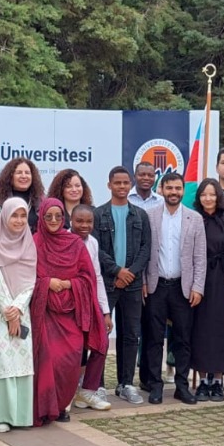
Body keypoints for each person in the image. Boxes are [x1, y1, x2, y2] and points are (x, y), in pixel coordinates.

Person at [33, 199, 109, 425]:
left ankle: (64, 403)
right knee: (50, 360)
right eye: (49, 217)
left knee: (69, 360)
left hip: (71, 314)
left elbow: (88, 278)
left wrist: (67, 284)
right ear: (42, 218)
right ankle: (48, 407)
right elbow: (27, 278)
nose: (54, 221)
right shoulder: (35, 242)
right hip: (45, 314)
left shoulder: (75, 243)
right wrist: (47, 283)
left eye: (58, 216)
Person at [141, 172, 207, 405]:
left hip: (183, 287)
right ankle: (155, 385)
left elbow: (200, 257)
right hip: (156, 286)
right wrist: (144, 283)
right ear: (161, 190)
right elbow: (144, 252)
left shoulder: (194, 218)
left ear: (183, 190)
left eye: (178, 188)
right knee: (154, 338)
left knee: (183, 338)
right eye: (169, 188)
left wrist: (198, 287)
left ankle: (181, 385)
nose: (173, 193)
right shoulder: (149, 216)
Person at [94, 166, 153, 404]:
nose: (122, 186)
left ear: (131, 185)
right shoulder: (98, 214)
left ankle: (126, 383)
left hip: (132, 284)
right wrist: (117, 271)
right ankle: (96, 385)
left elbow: (145, 249)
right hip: (107, 283)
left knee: (130, 335)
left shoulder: (140, 215)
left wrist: (130, 273)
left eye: (125, 183)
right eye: (117, 183)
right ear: (109, 185)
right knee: (100, 335)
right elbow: (96, 248)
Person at [0, 198, 38, 432]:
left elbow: (30, 282)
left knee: (22, 361)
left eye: (23, 216)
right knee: (0, 360)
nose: (18, 221)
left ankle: (20, 415)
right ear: (4, 216)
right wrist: (9, 312)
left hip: (22, 312)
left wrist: (19, 308)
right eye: (14, 215)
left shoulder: (29, 245)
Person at [190, 180, 224, 401]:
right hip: (199, 281)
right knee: (200, 330)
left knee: (221, 330)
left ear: (219, 197)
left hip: (222, 280)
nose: (208, 199)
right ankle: (202, 381)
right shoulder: (192, 220)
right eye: (203, 195)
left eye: (212, 195)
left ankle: (217, 381)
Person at [67, 206, 115, 412]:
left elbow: (97, 277)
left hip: (91, 302)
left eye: (89, 222)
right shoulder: (63, 240)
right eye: (80, 221)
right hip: (69, 304)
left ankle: (87, 390)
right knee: (74, 350)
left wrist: (105, 311)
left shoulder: (93, 243)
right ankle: (68, 393)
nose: (84, 226)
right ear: (71, 220)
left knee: (101, 343)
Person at [0, 157, 46, 230]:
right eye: (19, 173)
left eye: (27, 173)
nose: (24, 176)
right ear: (10, 176)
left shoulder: (41, 200)